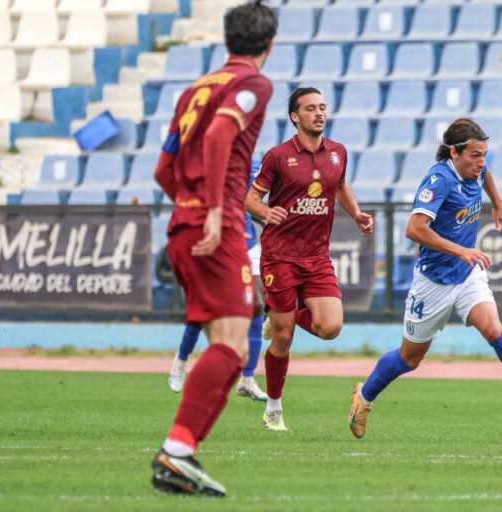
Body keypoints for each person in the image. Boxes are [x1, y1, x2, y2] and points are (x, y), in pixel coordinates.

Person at [347, 118, 502, 439]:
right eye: (475, 156)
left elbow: (485, 175)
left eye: (484, 155)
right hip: (433, 282)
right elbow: (414, 229)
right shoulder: (439, 180)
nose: (481, 163)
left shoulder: (476, 171)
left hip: (466, 276)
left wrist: (498, 203)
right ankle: (364, 397)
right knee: (409, 359)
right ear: (454, 153)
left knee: (493, 329)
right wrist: (461, 250)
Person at [150, 0, 277, 497]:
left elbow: (164, 169)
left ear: (227, 40)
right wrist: (216, 210)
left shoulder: (193, 90)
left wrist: (190, 209)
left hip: (184, 224)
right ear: (269, 45)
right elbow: (223, 131)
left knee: (232, 343)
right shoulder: (254, 84)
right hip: (215, 226)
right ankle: (176, 452)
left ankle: (181, 453)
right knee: (230, 345)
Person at [245, 87, 373, 431]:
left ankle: (279, 313)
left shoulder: (338, 153)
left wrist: (357, 214)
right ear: (295, 116)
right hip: (280, 256)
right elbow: (250, 199)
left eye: (323, 107)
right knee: (283, 338)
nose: (319, 113)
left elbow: (340, 185)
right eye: (311, 108)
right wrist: (265, 212)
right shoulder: (277, 156)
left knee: (330, 328)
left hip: (316, 255)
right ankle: (273, 408)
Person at [168, 160, 269, 402]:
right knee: (203, 310)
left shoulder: (255, 165)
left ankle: (247, 378)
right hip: (216, 244)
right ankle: (182, 359)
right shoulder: (207, 165)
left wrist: (267, 216)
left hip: (246, 245)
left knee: (257, 305)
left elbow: (257, 200)